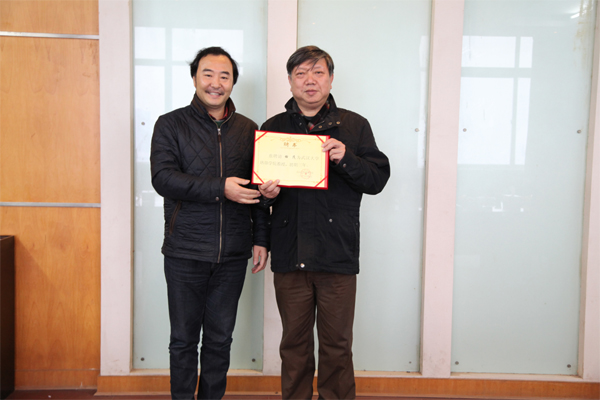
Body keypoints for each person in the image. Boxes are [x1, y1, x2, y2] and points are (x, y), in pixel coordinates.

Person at [259, 46, 390, 399]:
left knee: (337, 346)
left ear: (331, 79)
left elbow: (376, 180)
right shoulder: (273, 128)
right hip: (290, 254)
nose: (310, 81)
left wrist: (346, 157)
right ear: (290, 82)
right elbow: (258, 193)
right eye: (301, 74)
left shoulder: (354, 126)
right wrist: (266, 194)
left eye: (318, 72)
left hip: (337, 255)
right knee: (294, 346)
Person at [150, 46, 270, 400]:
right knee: (183, 340)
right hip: (185, 251)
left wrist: (261, 239)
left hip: (233, 254)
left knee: (220, 340)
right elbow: (163, 178)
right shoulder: (170, 124)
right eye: (208, 74)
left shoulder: (249, 129)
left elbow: (257, 192)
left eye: (224, 76)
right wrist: (221, 188)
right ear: (194, 78)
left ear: (232, 82)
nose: (216, 83)